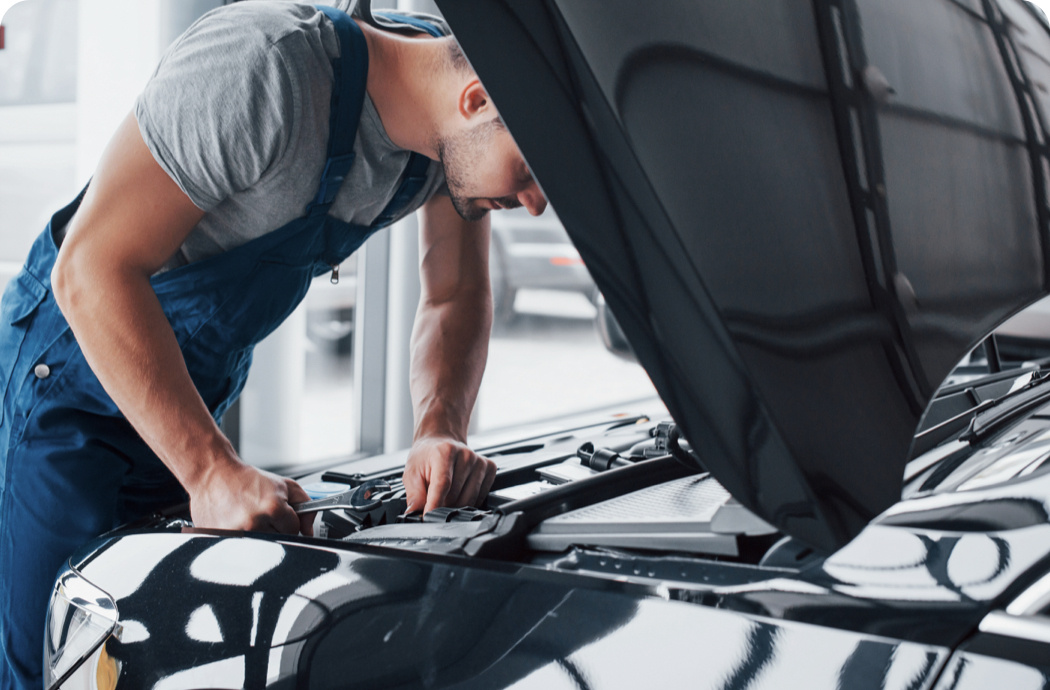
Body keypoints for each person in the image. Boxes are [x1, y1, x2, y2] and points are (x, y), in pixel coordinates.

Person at [0, 1, 546, 686]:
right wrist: (208, 473)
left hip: (187, 398)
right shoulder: (264, 70)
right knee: (53, 660)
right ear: (474, 102)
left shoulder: (449, 128)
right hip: (71, 387)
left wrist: (438, 430)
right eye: (528, 172)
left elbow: (455, 292)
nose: (535, 204)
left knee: (150, 656)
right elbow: (87, 271)